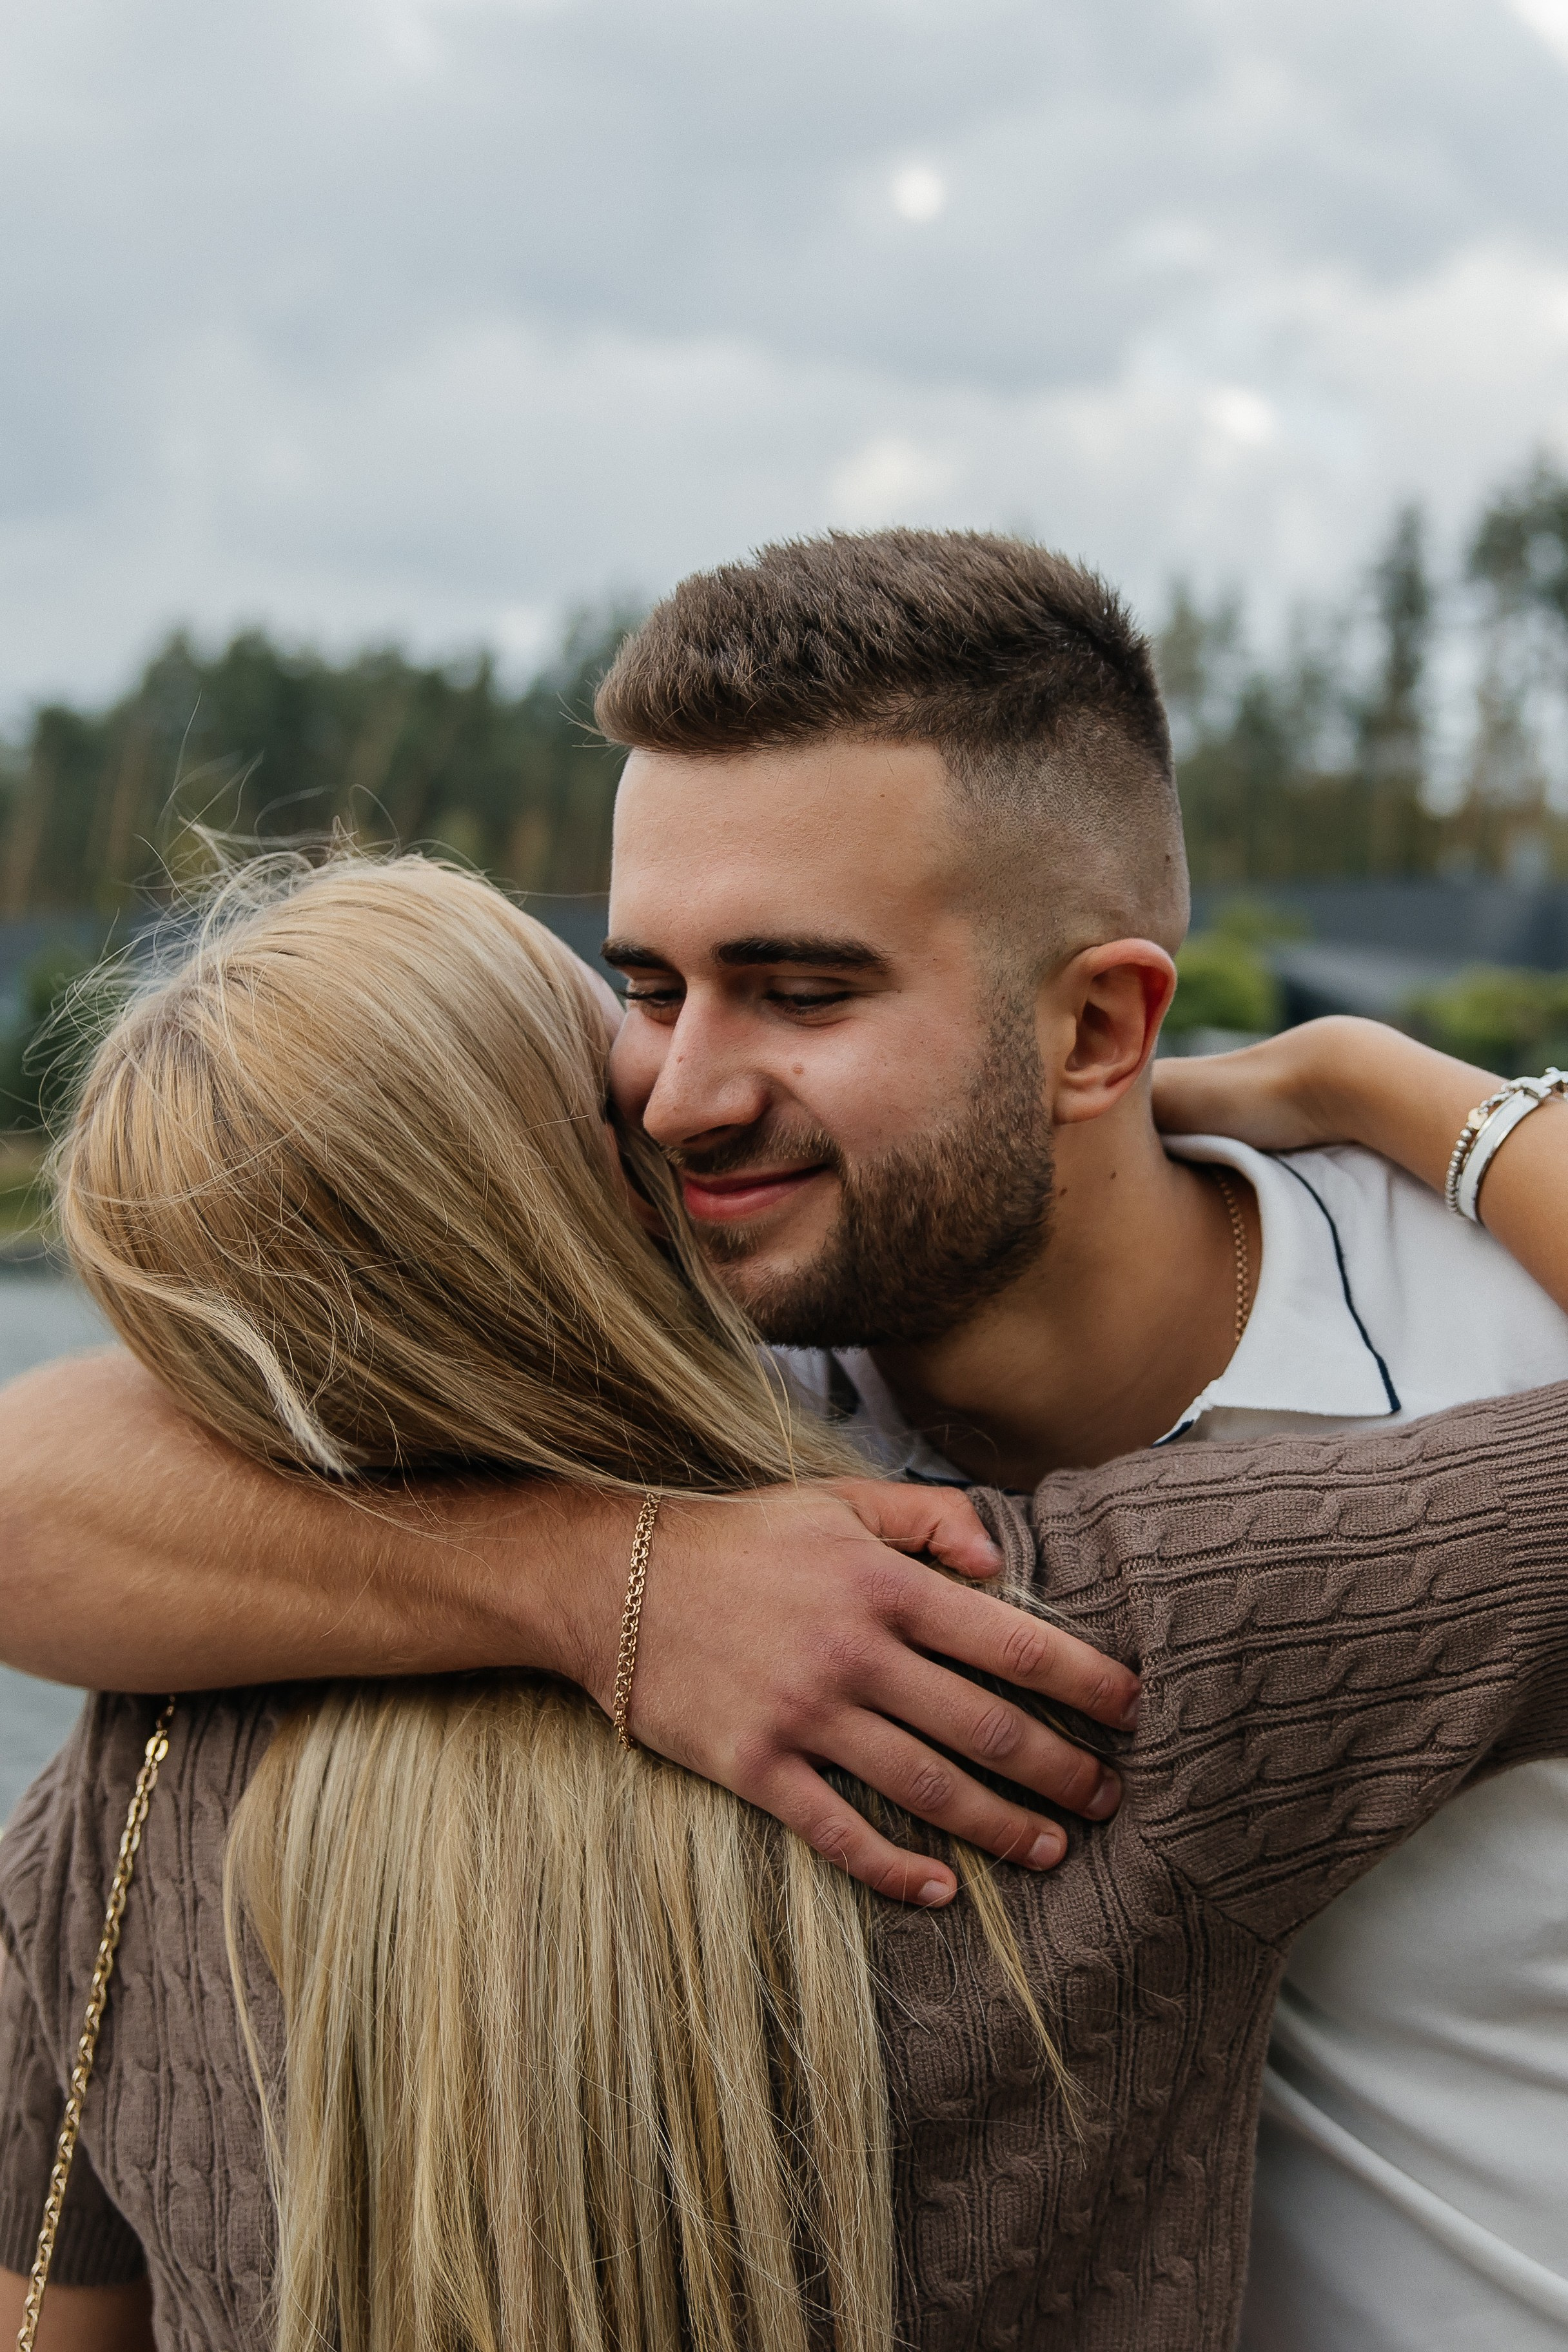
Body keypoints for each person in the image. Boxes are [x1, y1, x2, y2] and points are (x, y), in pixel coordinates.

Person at [3, 529, 1568, 2342]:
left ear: (1099, 1027)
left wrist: (1387, 1085)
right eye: (650, 987)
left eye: (802, 994)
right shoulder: (718, 1401)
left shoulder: (1503, 1323)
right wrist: (602, 1582)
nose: (678, 1097)